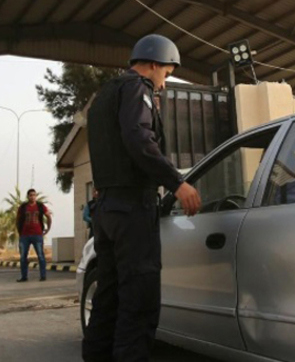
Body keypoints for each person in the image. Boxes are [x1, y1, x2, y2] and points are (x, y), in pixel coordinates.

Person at [82, 34, 202, 362]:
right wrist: (177, 183)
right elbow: (138, 138)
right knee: (139, 301)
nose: (163, 83)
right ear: (152, 64)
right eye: (165, 73)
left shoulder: (106, 94)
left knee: (109, 299)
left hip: (106, 209)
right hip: (133, 208)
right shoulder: (138, 89)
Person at [16, 188, 52, 283]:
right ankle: (24, 276)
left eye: (34, 195)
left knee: (40, 256)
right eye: (30, 195)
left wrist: (48, 228)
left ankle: (43, 276)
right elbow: (18, 219)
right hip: (25, 235)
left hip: (37, 235)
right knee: (23, 256)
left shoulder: (40, 206)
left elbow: (48, 216)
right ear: (28, 196)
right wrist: (19, 231)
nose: (32, 197)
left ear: (36, 196)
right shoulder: (23, 207)